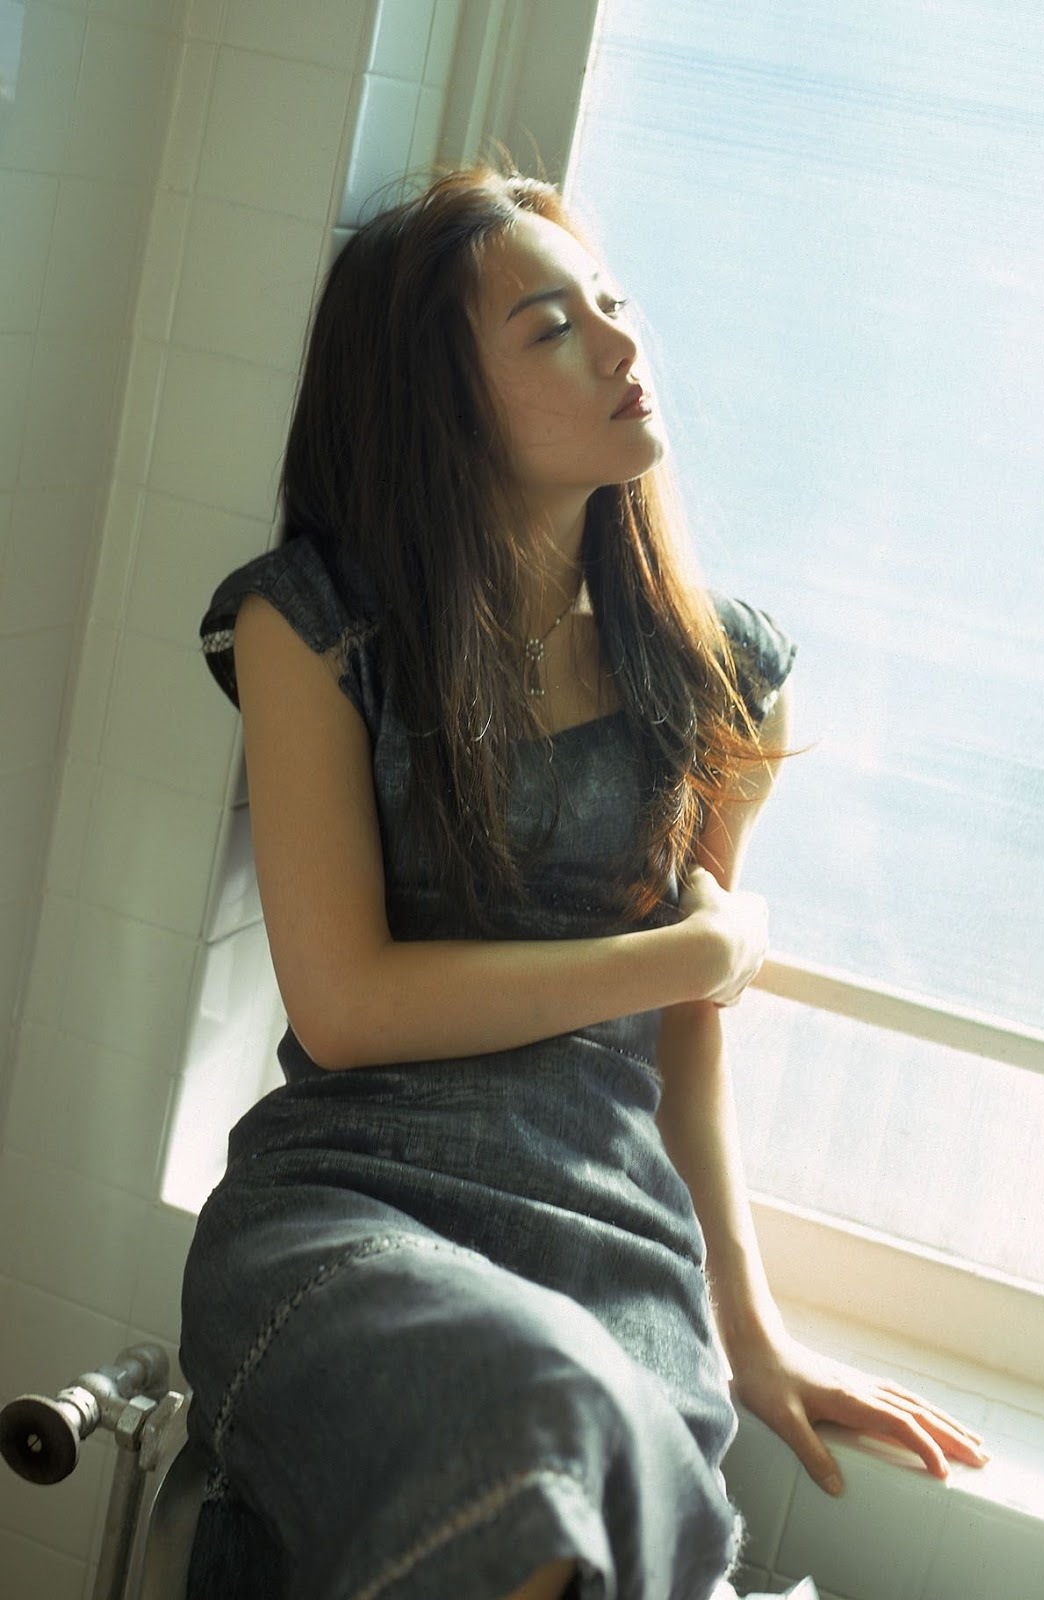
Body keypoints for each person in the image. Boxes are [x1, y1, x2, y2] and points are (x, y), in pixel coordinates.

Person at [179, 165, 987, 1600]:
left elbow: (686, 1062)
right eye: (552, 328)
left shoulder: (724, 673)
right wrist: (696, 954)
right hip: (353, 1214)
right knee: (546, 1411)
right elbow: (349, 1008)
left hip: (614, 1251)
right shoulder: (312, 625)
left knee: (601, 1435)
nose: (622, 343)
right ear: (438, 403)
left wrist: (748, 1333)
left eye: (611, 304)